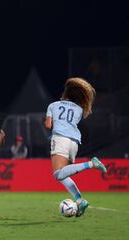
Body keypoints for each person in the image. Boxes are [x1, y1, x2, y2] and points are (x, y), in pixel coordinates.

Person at [44, 77, 107, 217]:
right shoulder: (79, 109)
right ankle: (80, 200)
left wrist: (55, 126)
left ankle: (92, 163)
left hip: (60, 139)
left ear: (65, 93)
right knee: (63, 175)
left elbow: (48, 125)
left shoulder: (53, 105)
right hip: (74, 143)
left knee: (58, 174)